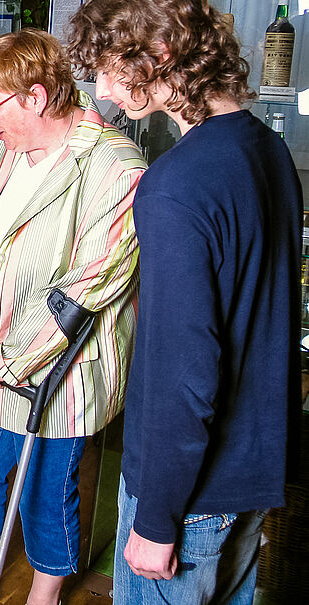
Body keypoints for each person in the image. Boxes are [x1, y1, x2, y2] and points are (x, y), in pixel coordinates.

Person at [66, 1, 302, 603]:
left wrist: (156, 520)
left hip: (186, 495)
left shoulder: (174, 186)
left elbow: (183, 371)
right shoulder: (267, 149)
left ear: (159, 54)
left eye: (110, 69)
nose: (104, 91)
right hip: (252, 471)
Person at [0, 30, 146, 605]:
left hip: (61, 364)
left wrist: (14, 358)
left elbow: (89, 284)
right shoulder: (3, 147)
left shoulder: (116, 168)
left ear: (36, 98)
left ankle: (44, 597)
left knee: (46, 487)